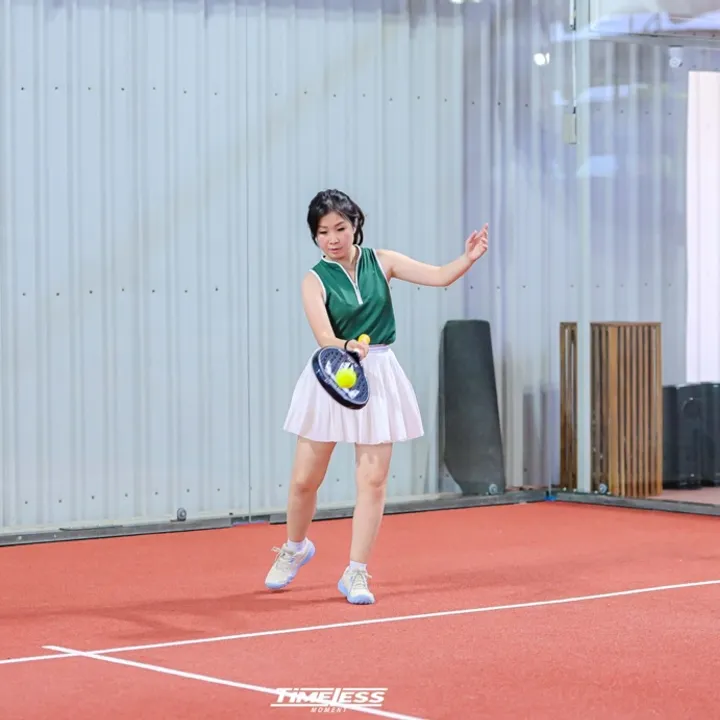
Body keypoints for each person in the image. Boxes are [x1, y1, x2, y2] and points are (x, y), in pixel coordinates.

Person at [264, 189, 488, 605]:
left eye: (340, 228)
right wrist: (347, 345)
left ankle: (356, 572)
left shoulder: (383, 261)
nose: (332, 238)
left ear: (355, 225)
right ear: (314, 236)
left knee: (373, 481)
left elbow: (439, 276)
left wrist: (468, 258)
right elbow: (324, 336)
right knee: (303, 481)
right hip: (333, 373)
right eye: (323, 232)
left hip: (380, 373)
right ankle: (295, 547)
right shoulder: (313, 280)